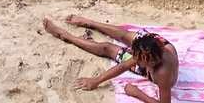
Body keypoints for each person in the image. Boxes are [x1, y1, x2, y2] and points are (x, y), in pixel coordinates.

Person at [42, 18, 179, 98]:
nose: (133, 57)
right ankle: (89, 23)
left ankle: (65, 36)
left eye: (137, 57)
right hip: (157, 45)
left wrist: (136, 93)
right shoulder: (151, 52)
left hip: (155, 55)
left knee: (107, 48)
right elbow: (124, 66)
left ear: (150, 62)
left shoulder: (162, 73)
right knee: (125, 36)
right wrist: (96, 81)